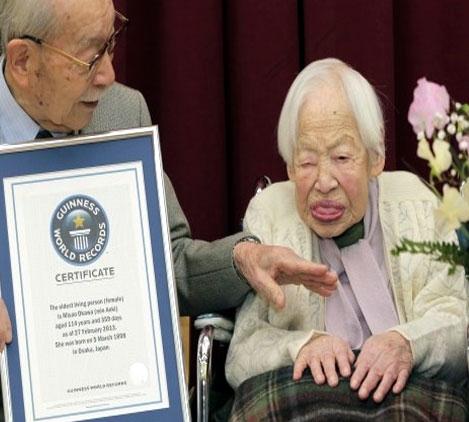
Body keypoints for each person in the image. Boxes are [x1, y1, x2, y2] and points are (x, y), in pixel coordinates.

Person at [0, 0, 338, 354]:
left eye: (110, 45)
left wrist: (242, 259)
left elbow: (167, 265)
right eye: (89, 59)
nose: (108, 76)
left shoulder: (121, 113)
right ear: (23, 61)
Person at [225, 58, 469, 421]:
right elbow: (241, 354)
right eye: (306, 162)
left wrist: (405, 342)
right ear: (290, 166)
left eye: (341, 157)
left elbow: (456, 322)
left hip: (406, 399)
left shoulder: (417, 204)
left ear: (376, 158)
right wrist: (302, 346)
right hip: (300, 400)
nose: (324, 182)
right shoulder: (269, 215)